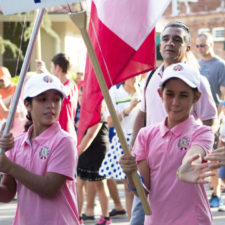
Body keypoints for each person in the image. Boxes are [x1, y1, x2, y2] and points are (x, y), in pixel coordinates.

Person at [130, 21, 217, 225]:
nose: (170, 43)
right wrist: (132, 153)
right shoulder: (150, 78)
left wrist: (197, 156)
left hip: (183, 164)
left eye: (177, 40)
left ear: (187, 47)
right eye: (166, 39)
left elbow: (209, 124)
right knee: (139, 217)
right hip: (149, 164)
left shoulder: (198, 81)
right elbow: (141, 116)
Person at [0, 73, 79, 224]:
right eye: (42, 99)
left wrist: (10, 167)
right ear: (27, 104)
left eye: (56, 99)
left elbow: (50, 188)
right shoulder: (16, 143)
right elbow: (8, 192)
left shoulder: (64, 141)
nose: (51, 105)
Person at [99, 77, 141, 219]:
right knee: (129, 186)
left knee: (146, 184)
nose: (134, 78)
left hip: (143, 139)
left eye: (137, 74)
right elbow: (110, 122)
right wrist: (129, 109)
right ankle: (132, 221)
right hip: (124, 139)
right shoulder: (115, 93)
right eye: (131, 75)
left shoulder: (142, 88)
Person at [196, 32, 225, 208]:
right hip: (199, 119)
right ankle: (205, 194)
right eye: (198, 46)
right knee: (201, 158)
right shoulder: (196, 65)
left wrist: (219, 118)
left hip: (214, 119)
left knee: (214, 158)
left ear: (211, 44)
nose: (200, 49)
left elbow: (224, 94)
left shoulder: (220, 65)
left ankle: (216, 194)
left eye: (203, 45)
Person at [77, 97, 111, 225]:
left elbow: (90, 134)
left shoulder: (98, 111)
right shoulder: (82, 112)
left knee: (100, 183)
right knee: (79, 182)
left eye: (83, 95)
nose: (81, 99)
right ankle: (78, 217)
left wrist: (77, 152)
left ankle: (106, 217)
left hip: (97, 150)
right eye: (80, 96)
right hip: (84, 149)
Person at [36, 53, 78, 138]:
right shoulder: (59, 85)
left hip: (65, 135)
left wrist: (46, 74)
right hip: (56, 135)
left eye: (52, 67)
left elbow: (63, 91)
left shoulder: (70, 85)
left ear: (58, 68)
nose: (51, 70)